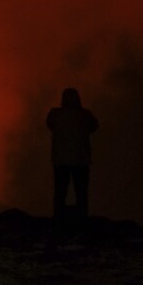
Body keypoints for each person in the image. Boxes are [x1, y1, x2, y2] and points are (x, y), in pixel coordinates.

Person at [46, 87, 99, 218]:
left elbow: (49, 125)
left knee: (60, 191)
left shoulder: (55, 114)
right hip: (80, 159)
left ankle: (58, 217)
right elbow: (94, 126)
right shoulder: (85, 115)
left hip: (60, 159)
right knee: (81, 192)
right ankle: (81, 217)